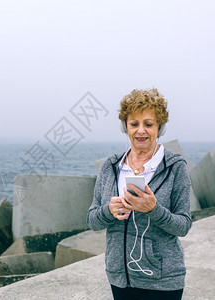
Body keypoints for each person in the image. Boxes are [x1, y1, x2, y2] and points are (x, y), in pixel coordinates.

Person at [87, 88, 192, 300]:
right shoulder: (111, 166)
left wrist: (153, 209)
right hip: (120, 278)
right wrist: (109, 210)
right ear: (125, 126)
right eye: (134, 124)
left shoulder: (175, 167)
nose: (140, 131)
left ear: (159, 128)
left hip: (163, 280)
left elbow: (183, 225)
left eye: (149, 124)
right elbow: (92, 221)